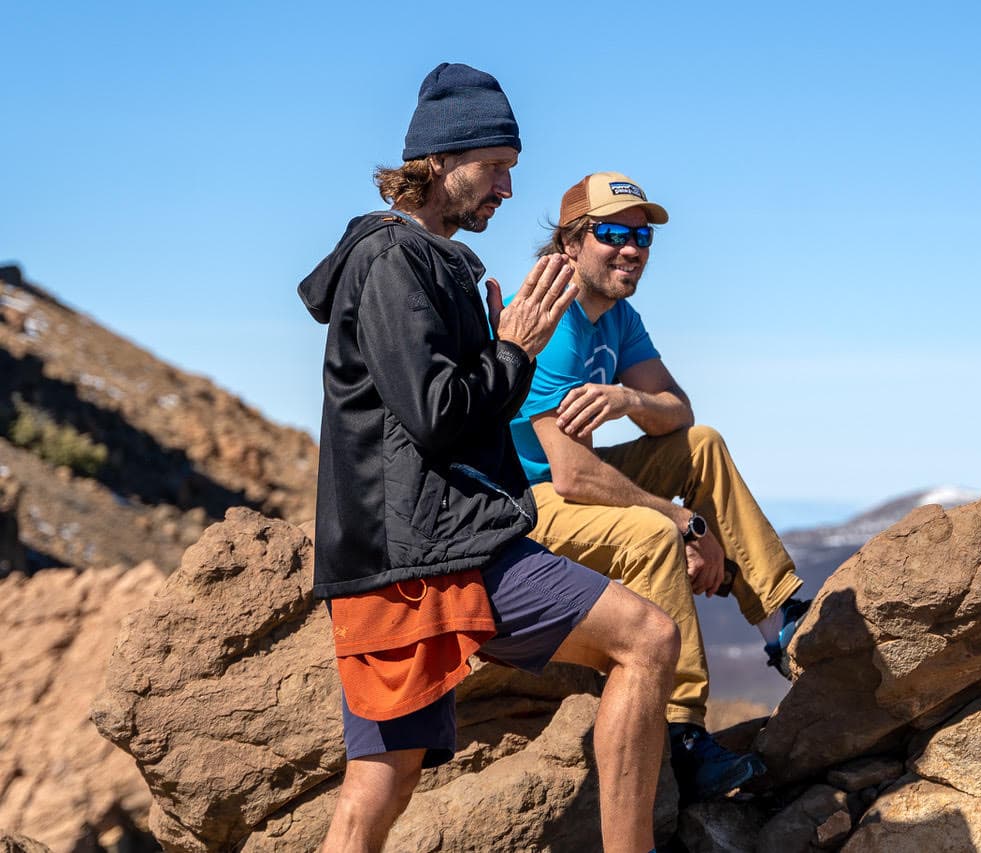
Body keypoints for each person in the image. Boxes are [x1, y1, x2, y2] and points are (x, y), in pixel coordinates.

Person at [298, 66, 678, 853]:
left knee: (384, 776)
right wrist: (514, 351)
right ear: (439, 159)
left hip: (404, 549)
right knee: (648, 637)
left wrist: (505, 353)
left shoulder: (428, 262)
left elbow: (451, 411)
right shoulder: (392, 262)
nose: (508, 187)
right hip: (430, 553)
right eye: (496, 165)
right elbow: (437, 415)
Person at [508, 171, 811, 803]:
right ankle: (682, 734)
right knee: (652, 531)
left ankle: (780, 625)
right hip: (524, 502)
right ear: (569, 243)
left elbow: (679, 411)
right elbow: (569, 474)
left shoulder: (617, 316)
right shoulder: (550, 323)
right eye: (613, 233)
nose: (632, 248)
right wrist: (685, 524)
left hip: (575, 485)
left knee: (703, 447)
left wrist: (625, 398)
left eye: (642, 236)